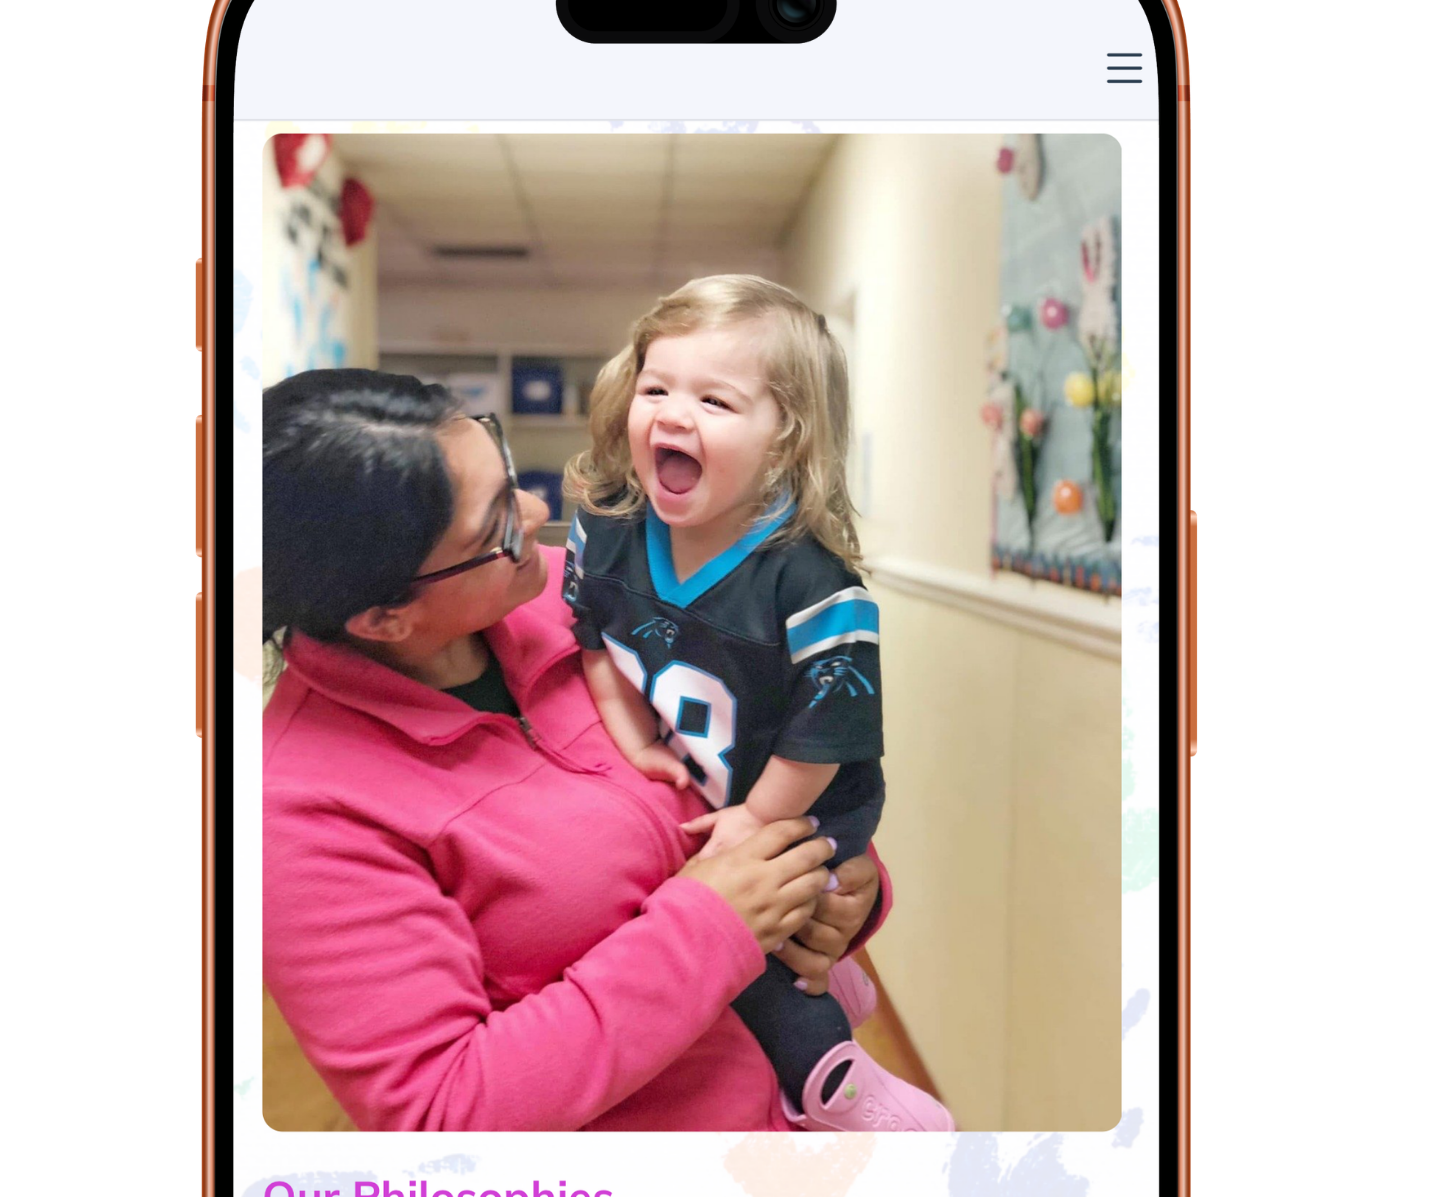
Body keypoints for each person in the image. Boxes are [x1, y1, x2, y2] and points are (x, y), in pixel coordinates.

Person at [262, 369, 891, 1134]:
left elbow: (764, 744)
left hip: (795, 1121)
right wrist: (715, 925)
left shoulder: (593, 594)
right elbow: (441, 1111)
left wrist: (833, 876)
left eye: (504, 467)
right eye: (494, 524)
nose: (535, 512)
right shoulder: (298, 811)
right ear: (382, 617)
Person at [564, 275, 952, 1131]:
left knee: (749, 954)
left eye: (715, 400)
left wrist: (756, 826)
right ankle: (825, 972)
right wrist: (635, 742)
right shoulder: (608, 527)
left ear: (786, 440)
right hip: (708, 771)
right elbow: (594, 645)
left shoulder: (813, 585)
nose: (671, 414)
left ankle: (840, 1085)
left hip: (810, 794)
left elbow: (827, 737)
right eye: (655, 387)